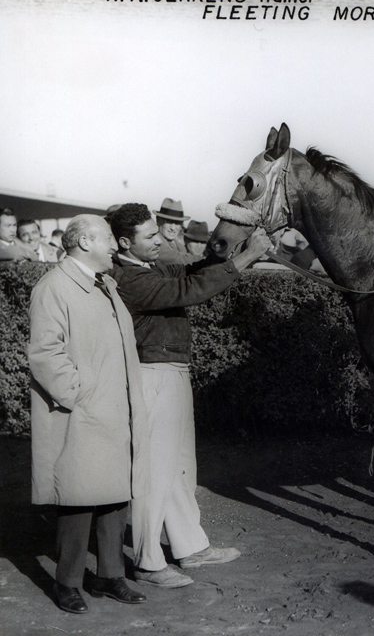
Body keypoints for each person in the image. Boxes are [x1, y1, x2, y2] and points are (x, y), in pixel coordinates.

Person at [109, 204, 272, 588]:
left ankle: (190, 547)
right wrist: (247, 257)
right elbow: (189, 290)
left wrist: (222, 249)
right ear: (123, 242)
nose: (159, 240)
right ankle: (148, 561)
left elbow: (190, 271)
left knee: (181, 468)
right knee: (155, 472)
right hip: (154, 376)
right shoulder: (127, 277)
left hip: (172, 373)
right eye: (150, 236)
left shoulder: (148, 267)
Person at [28, 215, 149, 614]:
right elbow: (45, 354)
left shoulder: (106, 285)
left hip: (113, 409)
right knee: (77, 499)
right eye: (110, 239)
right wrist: (80, 393)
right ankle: (68, 582)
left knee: (115, 496)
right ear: (83, 242)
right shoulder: (54, 287)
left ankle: (110, 575)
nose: (117, 245)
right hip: (82, 411)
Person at [155, 198, 194, 263]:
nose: (173, 228)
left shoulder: (179, 245)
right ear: (158, 221)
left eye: (177, 223)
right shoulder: (155, 243)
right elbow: (177, 259)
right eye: (168, 222)